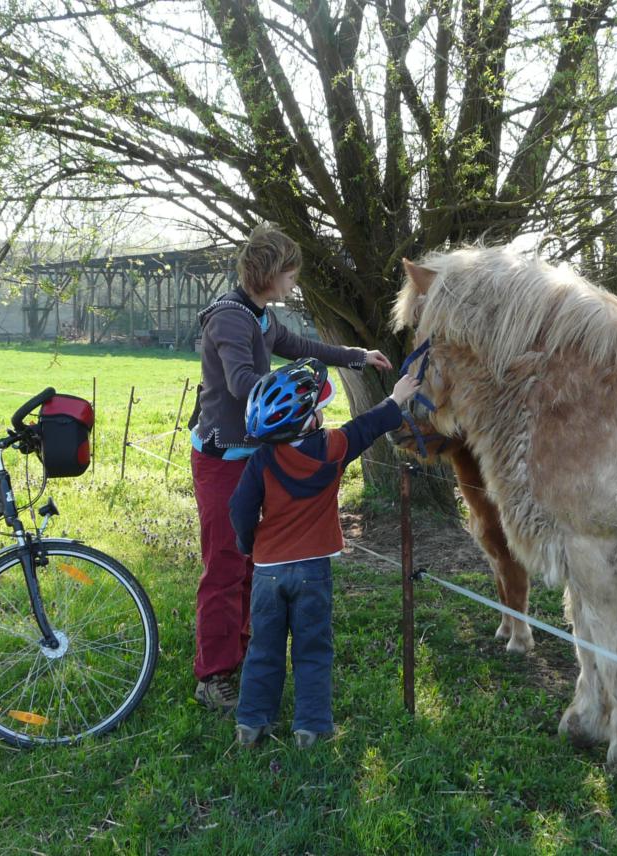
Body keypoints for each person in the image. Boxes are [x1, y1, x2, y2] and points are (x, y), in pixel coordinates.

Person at [190, 223, 392, 712]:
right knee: (224, 565)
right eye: (290, 273)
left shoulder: (257, 317)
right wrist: (298, 402)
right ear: (270, 272)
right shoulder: (230, 320)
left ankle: (238, 652)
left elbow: (303, 347)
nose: (294, 282)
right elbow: (242, 383)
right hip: (223, 460)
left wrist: (356, 357)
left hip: (253, 456)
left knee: (251, 559)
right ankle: (214, 674)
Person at [229, 359, 421, 747]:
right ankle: (311, 729)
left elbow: (239, 510)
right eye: (317, 408)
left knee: (263, 649)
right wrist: (397, 398)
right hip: (313, 572)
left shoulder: (262, 461)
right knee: (313, 649)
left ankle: (251, 723)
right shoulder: (333, 449)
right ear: (307, 420)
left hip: (267, 573)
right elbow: (365, 428)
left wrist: (249, 545)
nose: (321, 413)